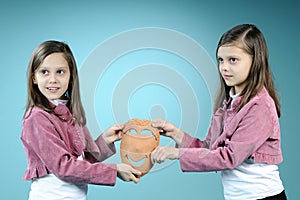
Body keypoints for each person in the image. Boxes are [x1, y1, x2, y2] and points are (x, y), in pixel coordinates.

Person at [151, 24, 287, 200]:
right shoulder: (229, 102)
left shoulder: (261, 107)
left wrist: (176, 153)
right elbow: (210, 149)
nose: (224, 67)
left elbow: (228, 157)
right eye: (220, 60)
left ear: (255, 61)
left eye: (233, 60)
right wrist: (177, 135)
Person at [21, 40, 141, 200]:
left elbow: (81, 161)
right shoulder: (37, 118)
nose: (52, 79)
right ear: (34, 78)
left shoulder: (71, 112)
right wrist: (114, 171)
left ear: (71, 76)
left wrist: (104, 141)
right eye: (44, 72)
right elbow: (63, 168)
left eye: (60, 72)